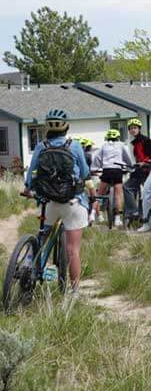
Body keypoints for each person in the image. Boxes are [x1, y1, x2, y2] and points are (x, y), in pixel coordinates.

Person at [22, 109, 90, 293]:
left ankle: (27, 265)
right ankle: (74, 293)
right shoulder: (74, 146)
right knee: (72, 251)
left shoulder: (41, 146)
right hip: (72, 203)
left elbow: (30, 175)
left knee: (41, 237)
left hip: (48, 202)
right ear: (66, 127)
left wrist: (28, 189)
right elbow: (84, 173)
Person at [91, 129, 134, 228]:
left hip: (106, 170)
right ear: (118, 137)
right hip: (117, 170)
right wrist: (129, 167)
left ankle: (92, 214)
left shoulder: (104, 146)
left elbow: (97, 158)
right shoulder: (121, 145)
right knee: (118, 194)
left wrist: (94, 168)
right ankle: (117, 218)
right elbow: (127, 158)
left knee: (99, 194)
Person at [125, 117, 151, 221]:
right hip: (140, 169)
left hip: (146, 170)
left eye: (135, 128)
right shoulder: (135, 141)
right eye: (131, 128)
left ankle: (135, 211)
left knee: (127, 187)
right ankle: (141, 214)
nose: (133, 130)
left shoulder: (144, 140)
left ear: (139, 129)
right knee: (143, 192)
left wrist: (144, 162)